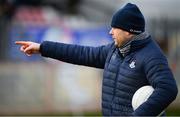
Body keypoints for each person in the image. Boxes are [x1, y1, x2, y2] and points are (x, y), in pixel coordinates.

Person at [15, 3, 178, 116]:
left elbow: (168, 89)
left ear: (129, 31)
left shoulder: (151, 55)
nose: (110, 32)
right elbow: (80, 53)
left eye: (115, 28)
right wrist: (42, 48)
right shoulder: (114, 50)